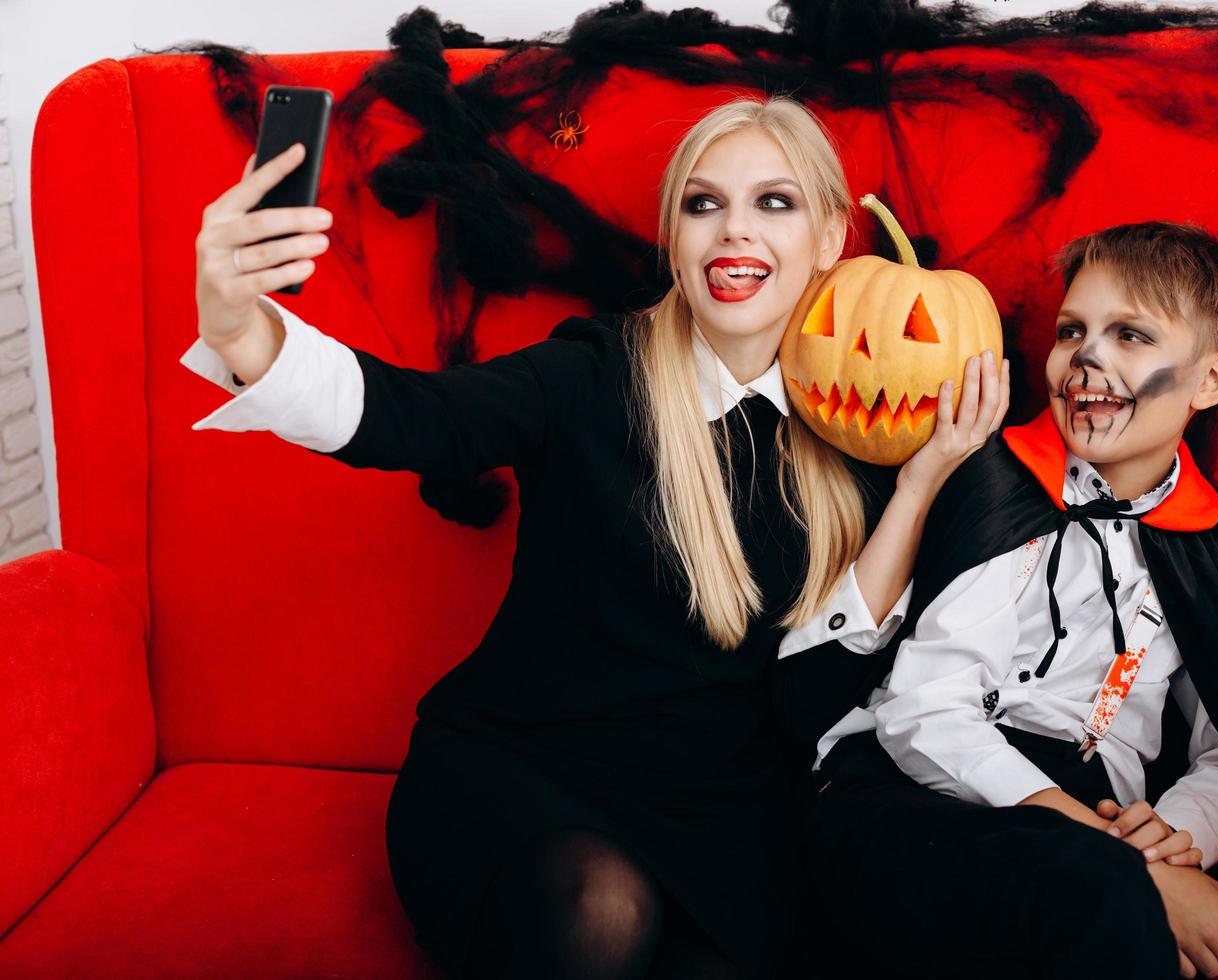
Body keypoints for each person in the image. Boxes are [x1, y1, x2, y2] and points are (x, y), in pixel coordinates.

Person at [184, 96, 1008, 979]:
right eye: (703, 204)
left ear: (833, 236)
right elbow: (413, 418)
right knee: (598, 911)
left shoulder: (873, 428)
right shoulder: (591, 372)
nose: (735, 233)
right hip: (527, 776)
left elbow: (833, 694)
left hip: (720, 818)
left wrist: (922, 482)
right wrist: (240, 328)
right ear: (675, 236)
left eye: (775, 203)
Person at [781, 222, 1218, 979]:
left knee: (1090, 904)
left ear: (1212, 380)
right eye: (1071, 331)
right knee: (1092, 897)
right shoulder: (996, 484)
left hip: (1089, 827)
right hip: (911, 801)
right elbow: (927, 712)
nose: (1088, 358)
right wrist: (1126, 867)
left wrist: (1172, 842)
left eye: (1131, 335)